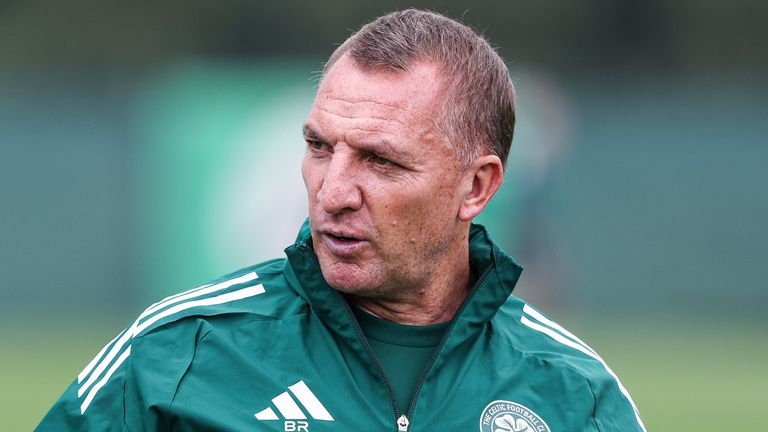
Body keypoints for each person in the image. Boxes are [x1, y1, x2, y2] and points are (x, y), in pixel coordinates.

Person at [38, 9, 646, 432]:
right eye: (321, 148)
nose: (332, 192)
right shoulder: (176, 355)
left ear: (476, 186)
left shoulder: (575, 395)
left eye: (380, 161)